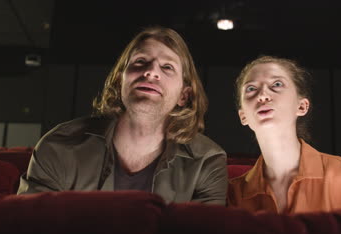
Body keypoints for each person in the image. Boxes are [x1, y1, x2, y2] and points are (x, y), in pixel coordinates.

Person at [17, 26, 228, 205]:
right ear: (120, 83)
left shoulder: (207, 161)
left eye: (167, 67)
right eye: (140, 61)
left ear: (184, 95)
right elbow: (32, 233)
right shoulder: (59, 146)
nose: (151, 71)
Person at [227, 56, 341, 213]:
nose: (262, 95)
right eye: (251, 88)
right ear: (243, 116)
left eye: (277, 84)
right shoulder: (234, 194)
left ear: (302, 106)